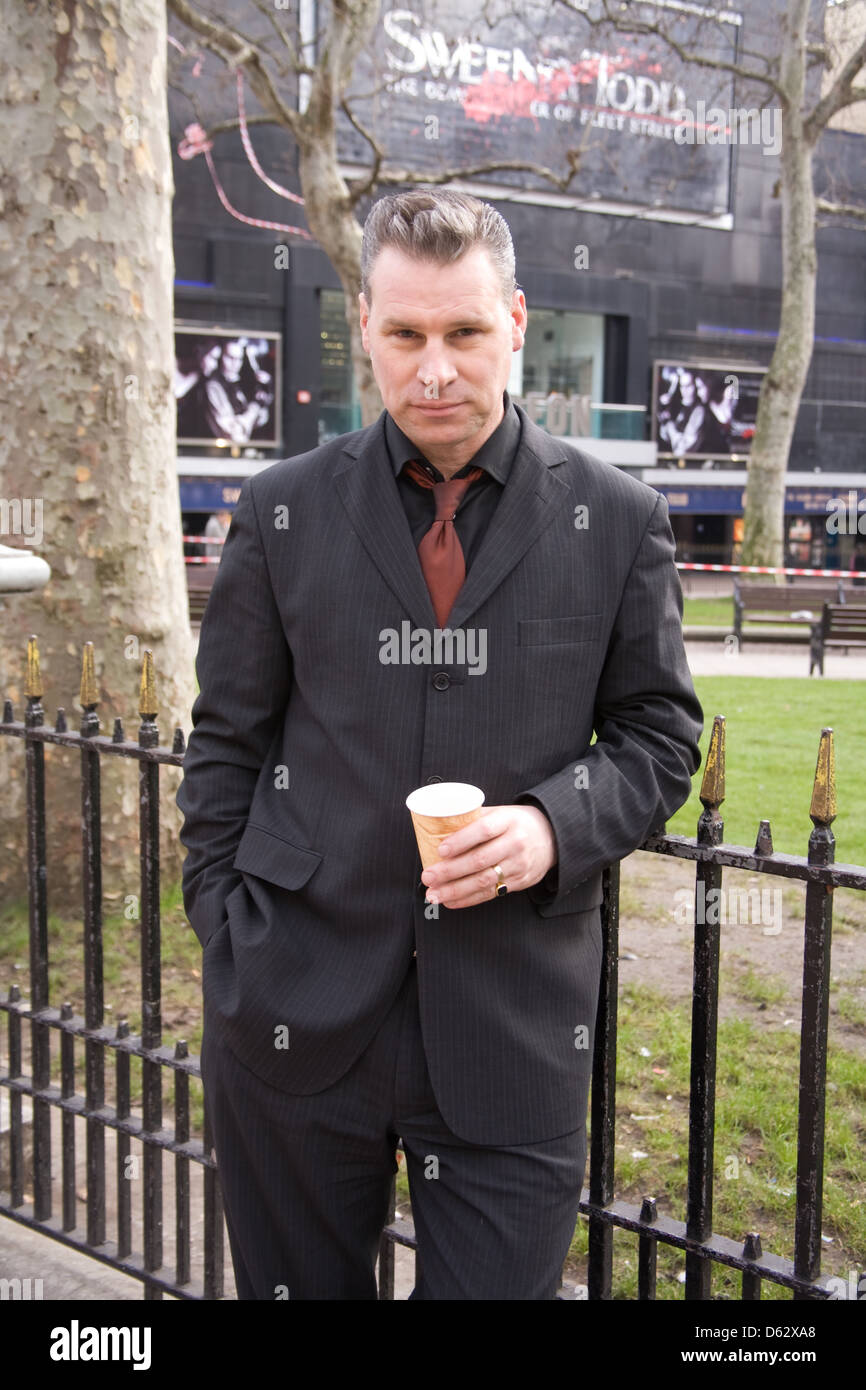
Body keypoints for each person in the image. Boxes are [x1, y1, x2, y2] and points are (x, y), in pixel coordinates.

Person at [176, 189, 703, 1301]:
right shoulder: (278, 512)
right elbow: (225, 741)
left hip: (511, 1034)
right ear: (362, 323)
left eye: (463, 334)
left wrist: (548, 826)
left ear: (513, 320)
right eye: (404, 334)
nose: (433, 370)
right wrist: (224, 929)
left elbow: (661, 738)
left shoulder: (615, 519)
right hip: (291, 1014)